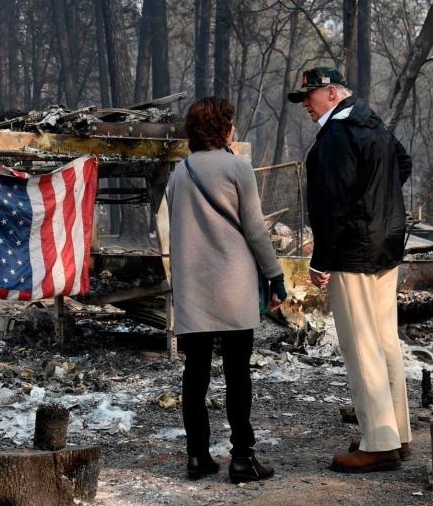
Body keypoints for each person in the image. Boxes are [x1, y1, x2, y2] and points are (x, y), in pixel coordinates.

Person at [288, 67, 413, 473]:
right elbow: (402, 163)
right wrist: (380, 206)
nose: (306, 104)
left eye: (309, 96)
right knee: (385, 342)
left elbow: (331, 205)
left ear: (330, 92)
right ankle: (397, 434)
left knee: (361, 346)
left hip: (353, 250)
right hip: (386, 244)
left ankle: (378, 442)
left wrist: (321, 259)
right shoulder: (370, 121)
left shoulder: (336, 136)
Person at [165, 97, 287, 483]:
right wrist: (275, 274)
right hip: (233, 285)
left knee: (195, 373)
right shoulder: (238, 168)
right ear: (223, 128)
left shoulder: (178, 174)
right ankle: (241, 458)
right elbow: (254, 229)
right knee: (237, 373)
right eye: (230, 122)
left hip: (192, 288)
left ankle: (197, 456)